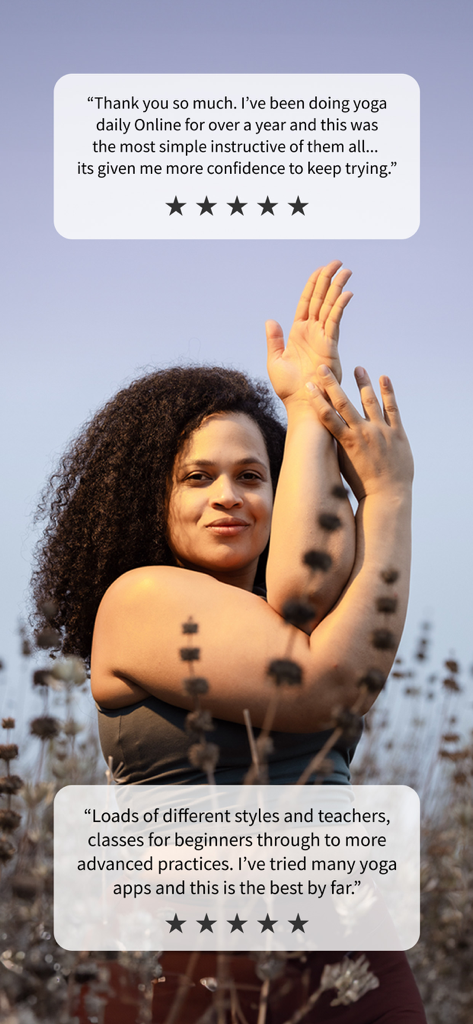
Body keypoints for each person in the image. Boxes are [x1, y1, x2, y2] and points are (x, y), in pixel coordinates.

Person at [33, 262, 425, 1022]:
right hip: (191, 971)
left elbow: (299, 588)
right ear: (153, 496)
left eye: (252, 475)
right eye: (196, 477)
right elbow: (323, 687)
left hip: (345, 963)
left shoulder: (290, 612)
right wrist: (389, 498)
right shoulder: (140, 596)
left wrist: (307, 408)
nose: (228, 496)